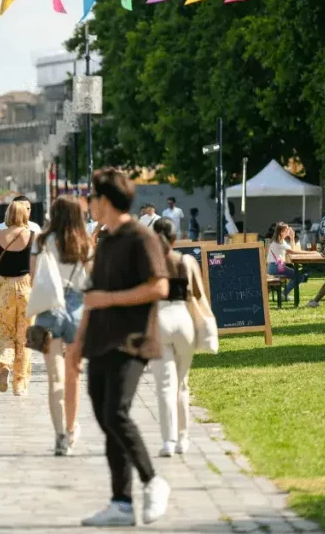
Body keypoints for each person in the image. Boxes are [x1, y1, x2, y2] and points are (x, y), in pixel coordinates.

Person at [80, 168, 171, 527]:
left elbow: (159, 287)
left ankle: (153, 480)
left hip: (132, 340)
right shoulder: (105, 240)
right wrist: (77, 347)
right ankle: (120, 501)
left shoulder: (139, 237)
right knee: (106, 419)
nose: (89, 203)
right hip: (100, 342)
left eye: (92, 197)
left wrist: (111, 300)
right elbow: (92, 298)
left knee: (116, 413)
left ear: (104, 201)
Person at [29, 195, 90, 456]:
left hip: (49, 310)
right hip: (76, 309)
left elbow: (34, 278)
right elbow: (90, 281)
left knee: (54, 377)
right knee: (72, 377)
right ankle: (72, 428)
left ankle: (59, 436)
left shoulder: (41, 241)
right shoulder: (85, 242)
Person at [151, 218, 200, 457]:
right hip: (183, 320)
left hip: (159, 319)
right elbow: (198, 294)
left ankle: (168, 441)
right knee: (183, 384)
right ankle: (183, 438)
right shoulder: (186, 261)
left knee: (164, 386)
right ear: (175, 237)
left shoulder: (149, 264)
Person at [0, 199, 34, 396]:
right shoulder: (32, 236)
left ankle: (5, 364)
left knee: (6, 332)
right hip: (25, 286)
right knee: (24, 337)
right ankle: (20, 385)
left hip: (4, 286)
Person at [267, 223, 298, 299]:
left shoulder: (280, 240)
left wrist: (292, 238)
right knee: (298, 276)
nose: (289, 230)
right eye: (287, 229)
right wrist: (309, 252)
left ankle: (283, 294)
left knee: (297, 275)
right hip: (276, 267)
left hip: (274, 267)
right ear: (281, 232)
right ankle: (283, 294)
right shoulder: (278, 242)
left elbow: (292, 249)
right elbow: (293, 252)